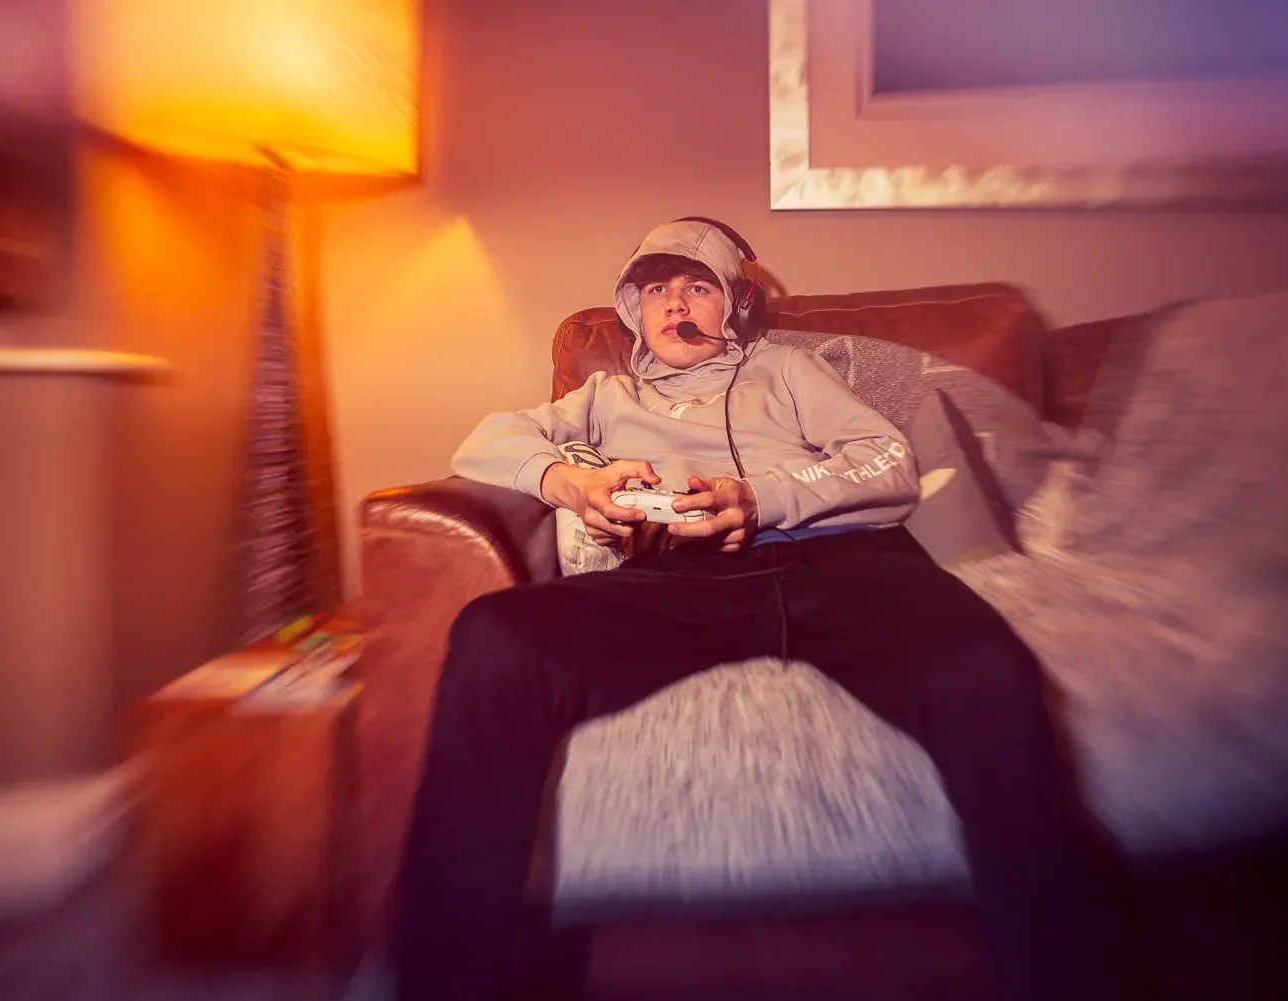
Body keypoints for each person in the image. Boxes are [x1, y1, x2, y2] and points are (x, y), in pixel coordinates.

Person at [394, 217, 1153, 1001]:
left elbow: (885, 463)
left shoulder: (788, 372)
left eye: (697, 286)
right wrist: (572, 483)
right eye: (658, 289)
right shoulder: (605, 394)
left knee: (984, 666)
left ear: (738, 304)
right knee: (492, 636)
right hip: (680, 583)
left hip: (845, 565)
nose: (675, 304)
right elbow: (484, 442)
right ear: (634, 308)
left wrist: (761, 496)